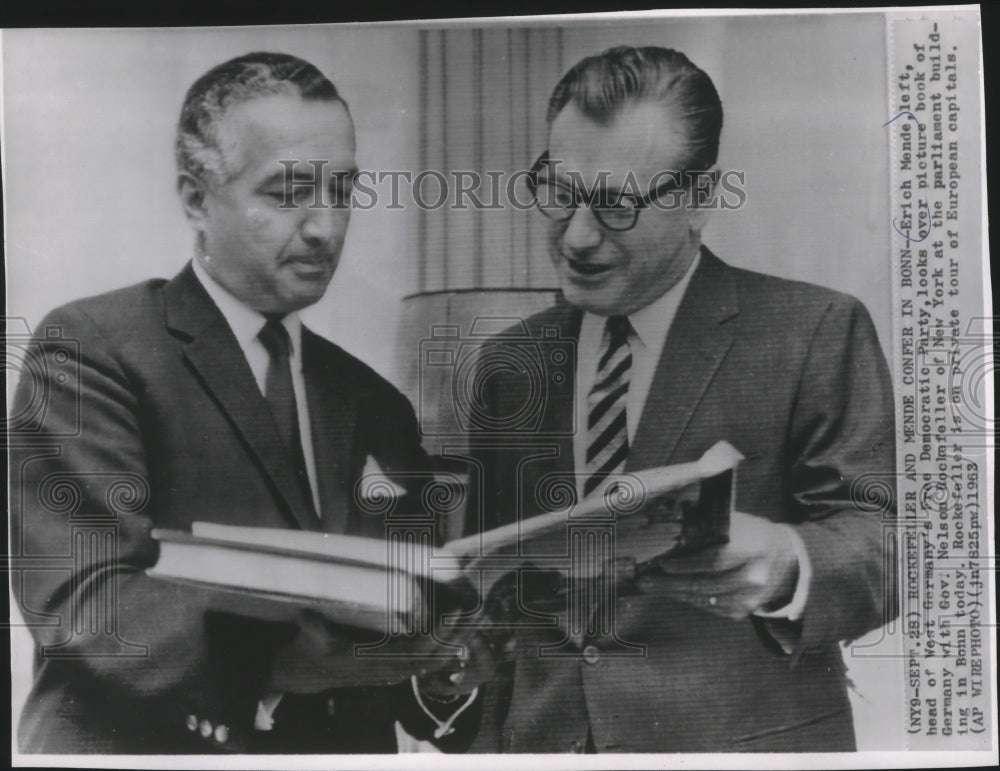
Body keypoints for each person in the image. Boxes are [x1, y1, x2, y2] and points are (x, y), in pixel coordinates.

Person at [9, 52, 475, 754]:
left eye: (343, 190)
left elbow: (403, 628)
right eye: (289, 192)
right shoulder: (93, 349)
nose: (327, 227)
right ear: (197, 199)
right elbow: (83, 602)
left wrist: (435, 679)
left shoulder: (374, 401)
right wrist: (281, 660)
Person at [456, 46, 897, 752]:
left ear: (701, 199)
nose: (575, 236)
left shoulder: (813, 330)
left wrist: (788, 559)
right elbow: (494, 592)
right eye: (559, 190)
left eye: (616, 206)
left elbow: (888, 540)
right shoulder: (511, 361)